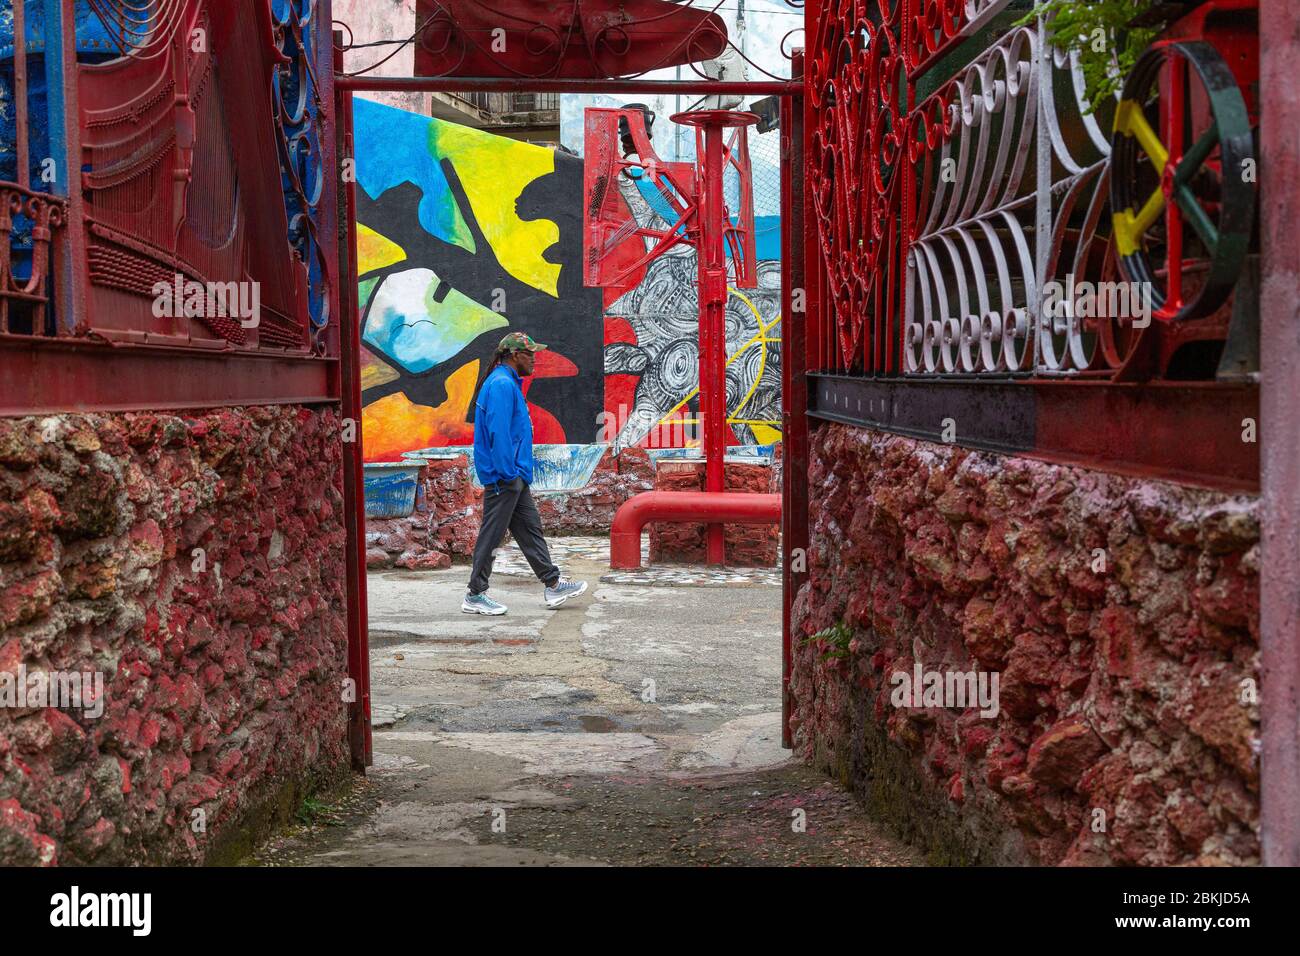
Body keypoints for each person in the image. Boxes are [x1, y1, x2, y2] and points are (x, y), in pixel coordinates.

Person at [461, 331, 588, 615]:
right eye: (530, 354)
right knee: (491, 535)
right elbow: (499, 433)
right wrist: (508, 474)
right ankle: (475, 594)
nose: (534, 359)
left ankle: (553, 584)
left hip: (514, 476)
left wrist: (516, 475)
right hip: (504, 477)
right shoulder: (502, 385)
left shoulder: (506, 383)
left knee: (530, 530)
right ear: (514, 355)